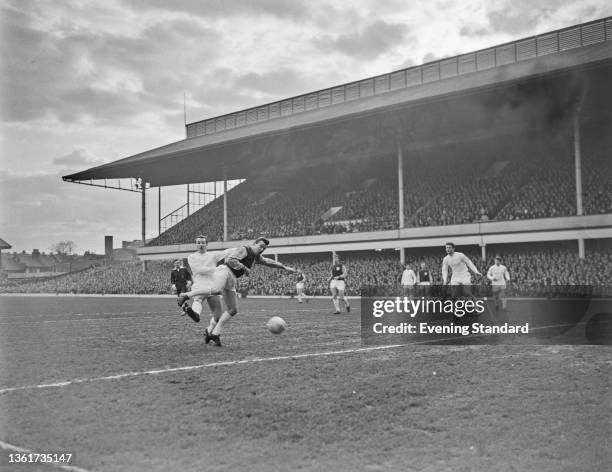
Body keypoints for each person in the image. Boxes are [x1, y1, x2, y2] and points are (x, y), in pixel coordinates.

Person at [178, 237, 296, 346]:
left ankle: (214, 333)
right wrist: (245, 268)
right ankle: (186, 295)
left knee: (233, 310)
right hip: (224, 271)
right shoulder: (245, 249)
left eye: (264, 248)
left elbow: (269, 262)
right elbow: (231, 260)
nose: (262, 249)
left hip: (232, 278)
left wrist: (285, 267)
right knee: (216, 290)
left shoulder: (256, 257)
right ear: (254, 244)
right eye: (260, 246)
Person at [182, 235, 229, 328]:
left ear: (207, 244)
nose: (201, 244)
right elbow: (199, 269)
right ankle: (196, 315)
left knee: (218, 315)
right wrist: (216, 269)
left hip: (212, 286)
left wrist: (243, 248)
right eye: (198, 242)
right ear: (196, 245)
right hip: (200, 285)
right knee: (198, 299)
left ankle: (209, 331)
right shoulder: (191, 257)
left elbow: (226, 252)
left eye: (203, 242)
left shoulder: (213, 255)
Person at [441, 242, 481, 316]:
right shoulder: (446, 259)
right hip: (455, 277)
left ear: (453, 248)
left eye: (449, 247)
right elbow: (444, 270)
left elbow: (469, 262)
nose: (447, 249)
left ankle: (476, 308)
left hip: (464, 275)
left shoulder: (460, 255)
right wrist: (445, 280)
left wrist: (476, 271)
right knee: (454, 295)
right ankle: (457, 310)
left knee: (467, 292)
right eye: (446, 248)